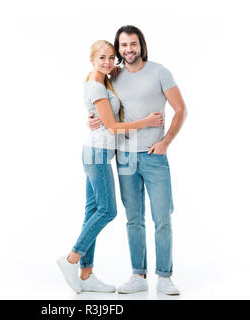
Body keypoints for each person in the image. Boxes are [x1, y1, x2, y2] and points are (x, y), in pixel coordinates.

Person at [57, 40, 164, 294]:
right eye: (102, 58)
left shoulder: (102, 79)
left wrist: (113, 70)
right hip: (97, 153)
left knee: (92, 209)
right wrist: (147, 121)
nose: (108, 62)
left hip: (97, 152)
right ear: (92, 59)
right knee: (107, 210)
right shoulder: (96, 86)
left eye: (111, 58)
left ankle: (86, 274)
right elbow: (113, 127)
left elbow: (104, 118)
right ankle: (72, 258)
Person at [88, 25, 187, 295]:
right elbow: (98, 100)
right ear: (118, 49)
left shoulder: (159, 71)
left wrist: (165, 141)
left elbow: (181, 109)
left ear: (141, 45)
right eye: (123, 45)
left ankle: (165, 276)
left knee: (163, 217)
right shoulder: (114, 75)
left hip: (154, 157)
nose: (128, 49)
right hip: (124, 158)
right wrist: (91, 119)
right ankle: (138, 275)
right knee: (133, 218)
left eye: (133, 44)